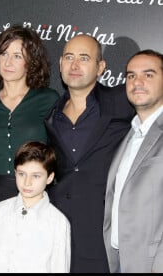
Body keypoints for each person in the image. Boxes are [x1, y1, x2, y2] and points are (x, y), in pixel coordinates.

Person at [44, 34, 135, 272]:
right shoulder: (51, 114)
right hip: (58, 234)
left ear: (100, 67)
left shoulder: (121, 101)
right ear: (61, 63)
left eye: (84, 58)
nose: (74, 65)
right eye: (69, 57)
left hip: (103, 237)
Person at [0, 24, 60, 264]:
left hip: (31, 195)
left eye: (17, 55)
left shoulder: (48, 99)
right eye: (4, 54)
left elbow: (60, 149)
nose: (8, 61)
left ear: (30, 62)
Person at [103, 49, 163, 273]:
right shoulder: (130, 132)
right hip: (120, 260)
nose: (137, 82)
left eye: (148, 75)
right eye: (131, 75)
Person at [0, 141, 71, 273]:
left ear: (49, 177)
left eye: (36, 176)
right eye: (21, 174)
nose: (27, 182)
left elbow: (60, 268)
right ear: (15, 173)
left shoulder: (58, 222)